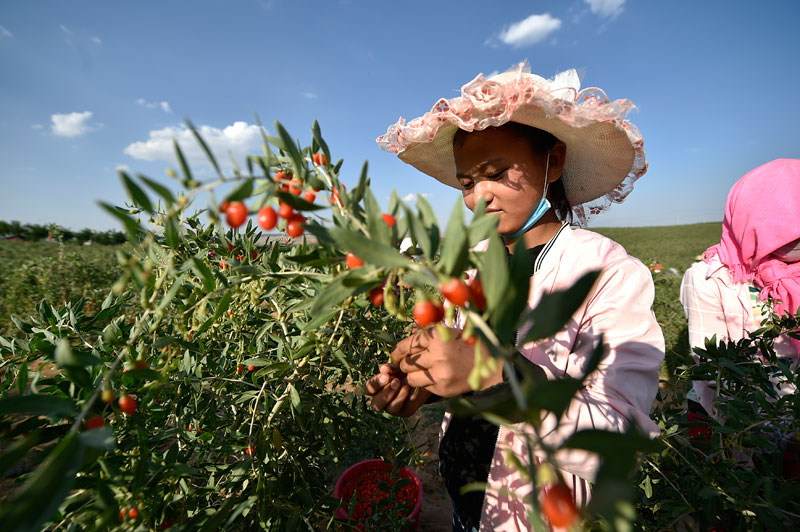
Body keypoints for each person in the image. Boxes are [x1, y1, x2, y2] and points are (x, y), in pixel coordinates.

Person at [368, 62, 665, 531]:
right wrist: (422, 385)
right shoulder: (471, 265)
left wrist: (494, 375)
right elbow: (462, 364)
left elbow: (620, 436)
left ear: (556, 161)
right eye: (468, 182)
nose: (478, 197)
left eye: (497, 173)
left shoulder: (608, 275)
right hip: (468, 500)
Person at [680, 159, 800, 418]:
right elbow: (712, 364)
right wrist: (749, 428)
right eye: (789, 224)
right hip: (741, 412)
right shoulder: (709, 278)